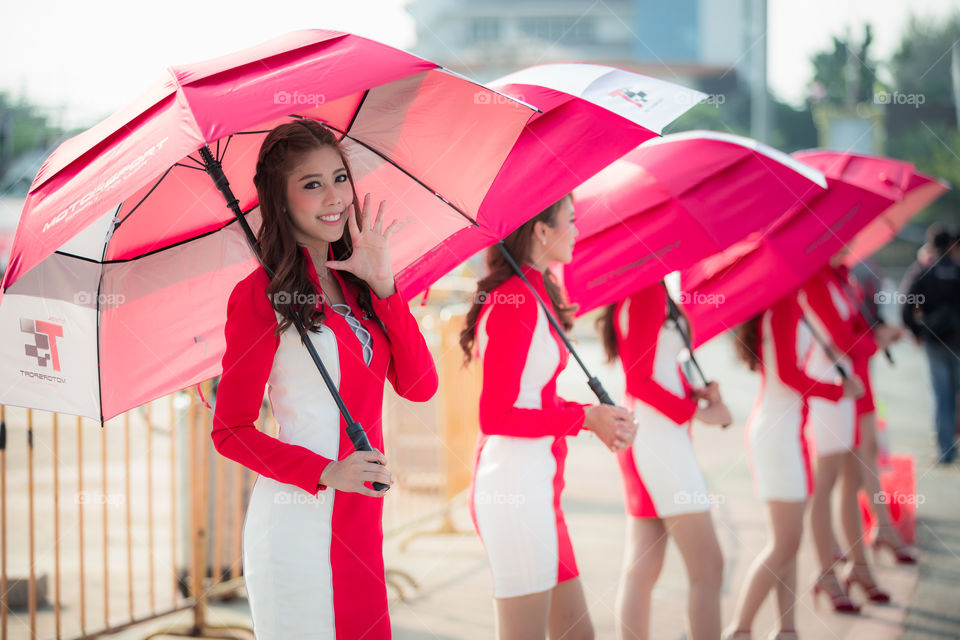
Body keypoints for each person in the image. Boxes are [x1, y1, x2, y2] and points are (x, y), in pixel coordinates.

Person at [211, 120, 439, 639]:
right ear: (280, 199)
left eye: (339, 178)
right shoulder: (259, 295)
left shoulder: (357, 282)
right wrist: (326, 472)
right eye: (312, 184)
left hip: (360, 520)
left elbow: (421, 385)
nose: (334, 197)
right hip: (299, 523)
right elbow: (230, 431)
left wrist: (384, 285)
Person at [460, 194, 637, 640]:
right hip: (514, 490)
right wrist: (584, 419)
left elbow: (536, 399)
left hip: (540, 487)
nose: (577, 230)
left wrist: (592, 416)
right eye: (570, 221)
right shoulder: (515, 300)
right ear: (540, 230)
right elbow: (496, 415)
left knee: (577, 634)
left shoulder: (535, 291)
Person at [596, 282, 730, 640]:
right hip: (658, 441)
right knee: (709, 568)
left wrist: (694, 393)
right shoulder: (645, 291)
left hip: (654, 436)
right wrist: (697, 413)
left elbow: (656, 370)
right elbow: (638, 379)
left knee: (643, 566)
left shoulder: (651, 287)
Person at [725, 292, 861, 640]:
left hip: (787, 430)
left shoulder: (788, 302)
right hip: (778, 432)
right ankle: (739, 629)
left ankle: (787, 630)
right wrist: (836, 390)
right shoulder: (783, 304)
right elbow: (786, 373)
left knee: (788, 540)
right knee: (784, 542)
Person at [802, 257, 888, 608]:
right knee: (826, 486)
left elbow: (853, 328)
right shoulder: (814, 279)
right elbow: (841, 338)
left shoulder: (839, 276)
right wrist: (875, 342)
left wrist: (872, 335)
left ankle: (860, 566)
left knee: (852, 482)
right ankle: (826, 572)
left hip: (845, 389)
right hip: (827, 390)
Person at [901, 223, 960, 465]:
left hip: (934, 342)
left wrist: (916, 331)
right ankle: (952, 447)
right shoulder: (958, 270)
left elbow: (906, 305)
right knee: (956, 396)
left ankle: (945, 450)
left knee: (941, 395)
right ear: (951, 244)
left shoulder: (923, 271)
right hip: (958, 342)